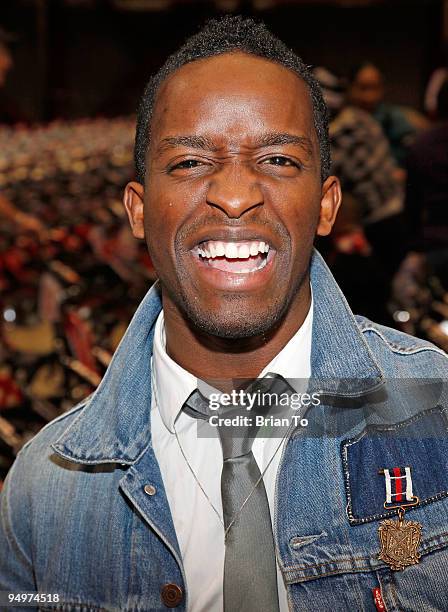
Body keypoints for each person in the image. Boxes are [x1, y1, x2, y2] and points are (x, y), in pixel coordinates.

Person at [1, 16, 447, 612]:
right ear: (137, 211)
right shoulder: (43, 493)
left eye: (279, 161)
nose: (235, 195)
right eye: (188, 163)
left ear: (327, 205)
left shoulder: (437, 413)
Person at [348, 62, 417, 173]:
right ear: (350, 87)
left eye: (374, 88)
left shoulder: (393, 118)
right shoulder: (342, 122)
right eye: (363, 88)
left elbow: (414, 151)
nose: (369, 97)